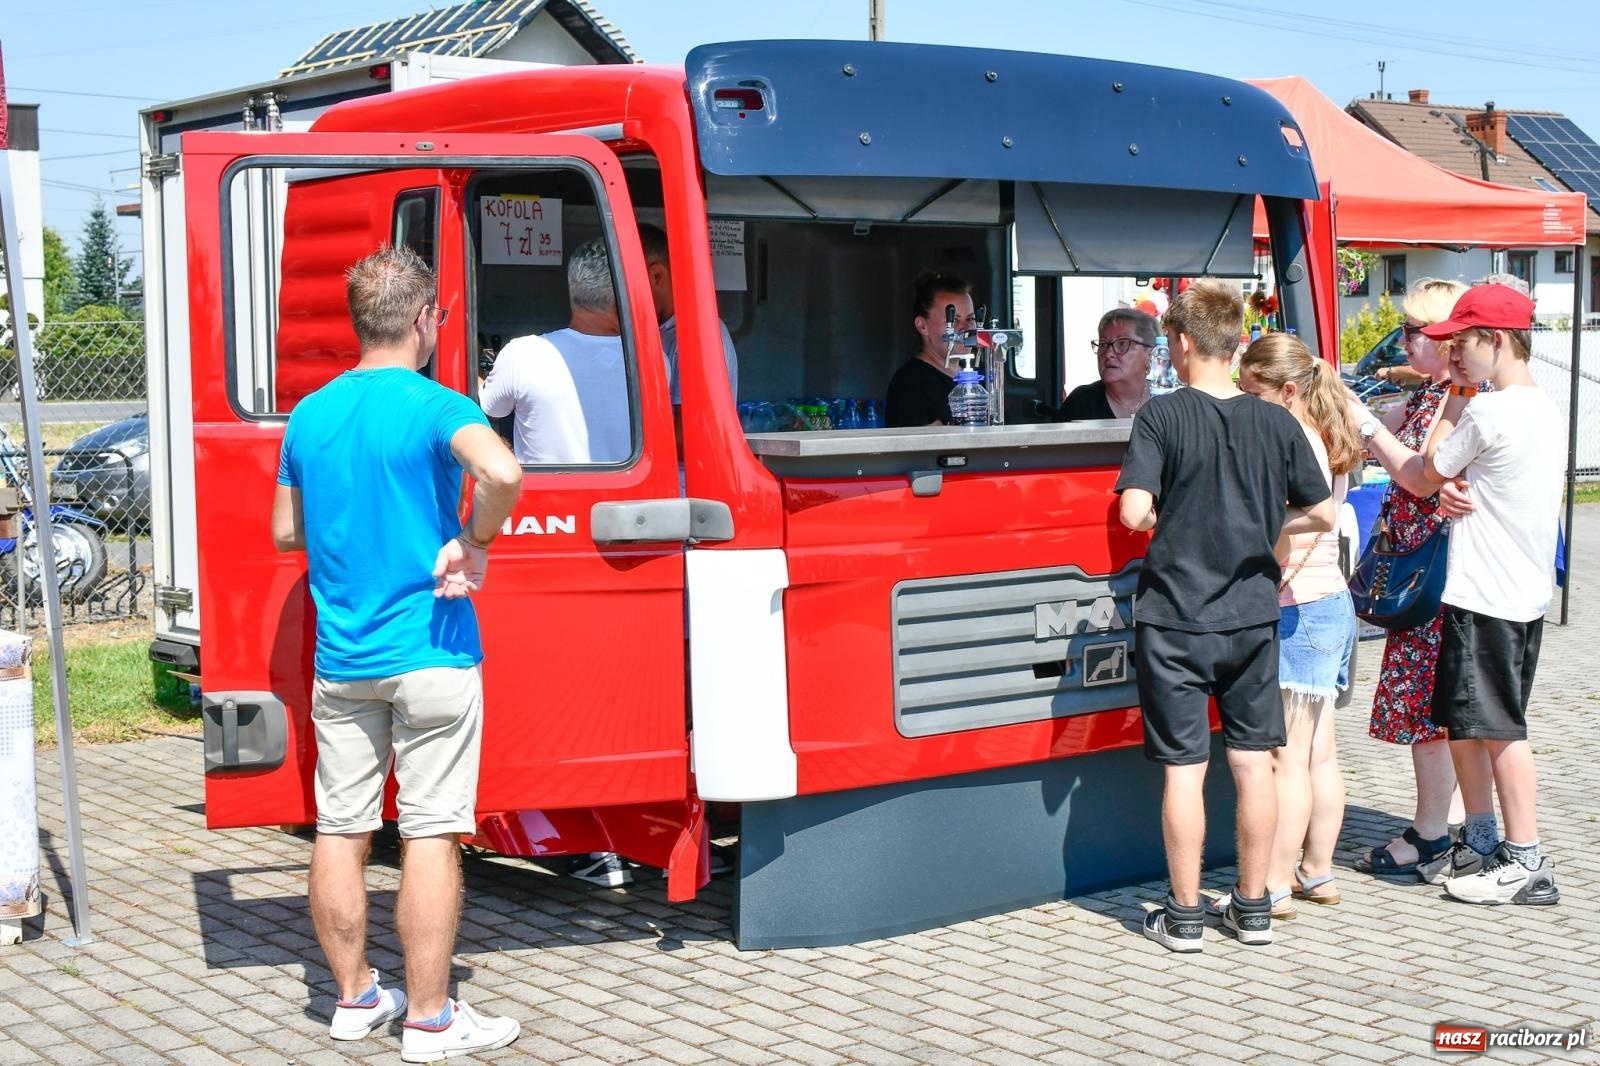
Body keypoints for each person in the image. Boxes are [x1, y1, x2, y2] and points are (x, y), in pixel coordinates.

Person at [273, 245, 524, 1060]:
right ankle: (431, 1019)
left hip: (344, 658)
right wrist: (472, 539)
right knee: (430, 833)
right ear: (425, 320)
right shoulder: (434, 404)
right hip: (432, 651)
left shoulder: (309, 415)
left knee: (340, 828)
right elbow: (504, 470)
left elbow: (284, 530)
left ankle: (352, 1000)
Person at [1115, 279, 1335, 952]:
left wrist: (1161, 516)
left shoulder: (1160, 416)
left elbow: (1132, 512)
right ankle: (1253, 907)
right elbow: (1323, 511)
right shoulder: (1276, 421)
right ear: (1235, 341)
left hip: (1175, 618)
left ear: (1181, 344)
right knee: (1253, 763)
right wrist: (1264, 531)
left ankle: (1183, 919)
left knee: (1185, 770)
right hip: (1251, 617)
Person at [1355, 284, 1563, 907]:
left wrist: (1366, 424)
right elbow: (1465, 482)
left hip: (1490, 594)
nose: (1457, 358)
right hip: (1511, 593)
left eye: (1465, 344)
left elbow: (1420, 474)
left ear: (1495, 342)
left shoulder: (1489, 411)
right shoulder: (1540, 409)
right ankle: (1481, 838)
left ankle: (1526, 859)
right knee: (1467, 724)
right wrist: (1451, 489)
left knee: (1499, 731)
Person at [1232, 334, 1361, 920]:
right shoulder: (1328, 428)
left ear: (1285, 391)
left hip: (1301, 607)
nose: (1244, 403)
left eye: (1251, 393)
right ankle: (1318, 871)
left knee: (1287, 757)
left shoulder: (1292, 437)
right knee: (1320, 755)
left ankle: (1276, 881)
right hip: (1332, 602)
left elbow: (1314, 516)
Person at [1348, 279, 1472, 881]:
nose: (1404, 341)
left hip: (1432, 575)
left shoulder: (1455, 398)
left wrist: (1370, 429)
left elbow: (1420, 475)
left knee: (1428, 708)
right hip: (1428, 568)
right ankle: (1443, 823)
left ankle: (1429, 832)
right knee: (1436, 707)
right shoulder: (1437, 393)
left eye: (1414, 331)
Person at [637, 223, 739, 450]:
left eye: (627, 284)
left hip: (685, 482)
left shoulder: (696, 336)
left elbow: (690, 436)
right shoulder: (664, 330)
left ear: (656, 275)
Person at [540, 237, 633, 464]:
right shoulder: (655, 362)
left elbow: (492, 408)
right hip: (626, 498)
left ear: (573, 285)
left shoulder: (523, 353)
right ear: (620, 296)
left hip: (549, 496)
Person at [479, 331, 591, 464]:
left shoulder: (521, 352)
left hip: (540, 482)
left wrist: (474, 363)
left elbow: (492, 411)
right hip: (611, 482)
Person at [884, 272, 976, 427]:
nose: (965, 329)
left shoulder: (977, 379)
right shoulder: (911, 384)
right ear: (922, 326)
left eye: (970, 319)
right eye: (952, 320)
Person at [1055, 308, 1157, 420]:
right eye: (1103, 344)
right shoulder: (1081, 402)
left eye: (1122, 343)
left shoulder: (1165, 399)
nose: (1108, 353)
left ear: (1150, 354)